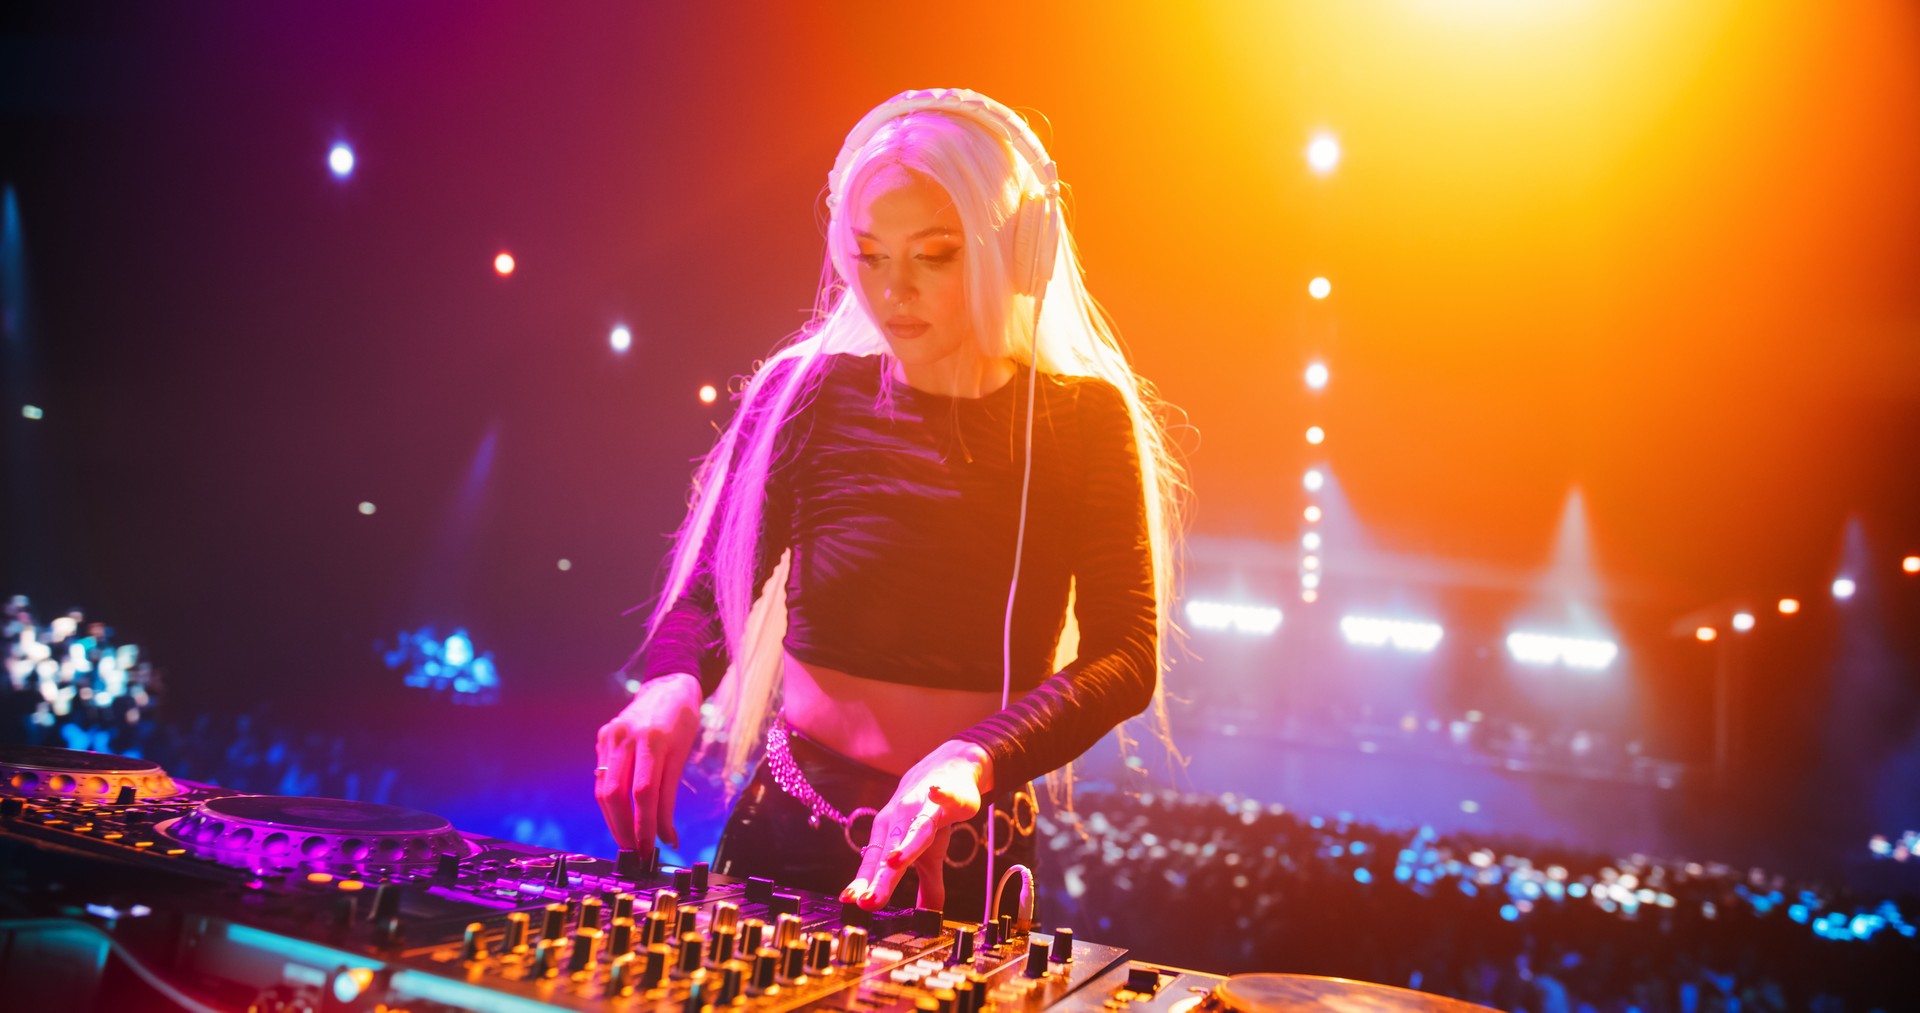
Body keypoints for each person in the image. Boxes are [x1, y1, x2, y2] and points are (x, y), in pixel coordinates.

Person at [593, 88, 1186, 921]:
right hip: (784, 833)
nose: (892, 290)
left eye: (933, 255)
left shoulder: (1083, 424)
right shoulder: (802, 397)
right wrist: (672, 682)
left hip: (966, 851)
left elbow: (1124, 656)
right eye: (869, 256)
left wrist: (976, 757)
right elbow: (706, 595)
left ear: (1017, 251)